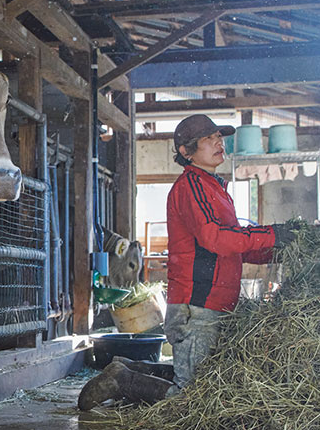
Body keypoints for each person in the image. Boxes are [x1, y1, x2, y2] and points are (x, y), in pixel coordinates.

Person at [78, 114, 294, 411]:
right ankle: (122, 381)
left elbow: (231, 247)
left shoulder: (214, 188)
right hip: (197, 304)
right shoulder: (192, 186)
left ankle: (131, 369)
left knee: (199, 380)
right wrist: (271, 235)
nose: (219, 141)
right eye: (209, 138)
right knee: (191, 398)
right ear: (186, 151)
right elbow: (215, 238)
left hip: (214, 301)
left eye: (219, 136)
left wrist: (278, 247)